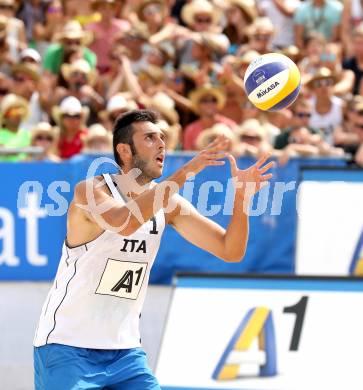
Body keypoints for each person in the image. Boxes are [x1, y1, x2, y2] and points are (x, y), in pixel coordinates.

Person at [33, 109, 274, 389]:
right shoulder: (90, 191)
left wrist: (241, 201)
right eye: (150, 138)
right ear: (124, 150)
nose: (161, 144)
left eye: (162, 137)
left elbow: (230, 250)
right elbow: (123, 222)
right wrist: (187, 171)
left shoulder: (168, 203)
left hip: (125, 352)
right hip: (67, 346)